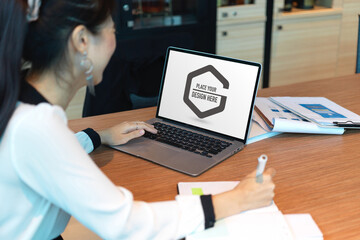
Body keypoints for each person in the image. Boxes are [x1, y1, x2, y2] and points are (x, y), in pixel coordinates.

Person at [0, 0, 276, 239]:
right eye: (112, 30)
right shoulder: (36, 126)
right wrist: (235, 199)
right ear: (82, 41)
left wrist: (99, 136)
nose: (114, 42)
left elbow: (45, 154)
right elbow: (126, 225)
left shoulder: (21, 103)